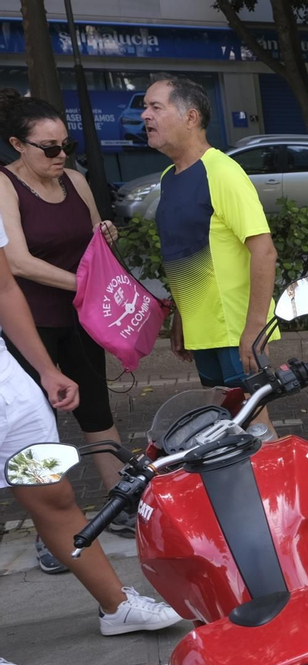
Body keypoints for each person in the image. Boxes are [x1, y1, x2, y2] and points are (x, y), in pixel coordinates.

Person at [1, 217, 184, 665]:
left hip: (7, 387)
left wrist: (44, 369)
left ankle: (117, 607)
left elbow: (4, 289)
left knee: (52, 493)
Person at [0, 90, 137, 574]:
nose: (61, 156)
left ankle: (122, 506)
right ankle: (48, 532)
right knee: (38, 424)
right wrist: (86, 284)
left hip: (81, 317)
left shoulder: (75, 180)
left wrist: (105, 237)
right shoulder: (4, 186)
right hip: (30, 322)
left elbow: (94, 234)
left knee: (97, 408)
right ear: (18, 144)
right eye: (49, 148)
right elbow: (16, 261)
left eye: (67, 145)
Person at [142, 74, 278, 399]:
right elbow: (184, 250)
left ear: (191, 117)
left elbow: (264, 252)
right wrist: (181, 317)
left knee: (253, 425)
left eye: (156, 107)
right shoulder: (168, 178)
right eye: (145, 107)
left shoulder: (222, 172)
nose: (145, 115)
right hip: (202, 331)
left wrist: (255, 328)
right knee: (225, 425)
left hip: (236, 329)